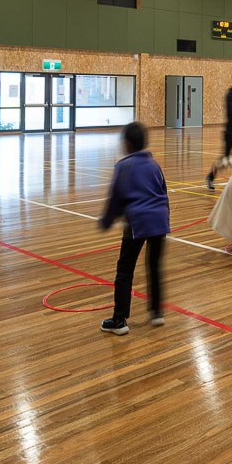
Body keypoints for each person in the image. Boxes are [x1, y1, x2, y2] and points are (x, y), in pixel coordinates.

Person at [98, 123, 170, 336]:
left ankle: (119, 320)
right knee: (154, 266)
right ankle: (157, 312)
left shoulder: (123, 166)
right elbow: (163, 192)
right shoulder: (154, 164)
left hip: (137, 223)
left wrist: (107, 221)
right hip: (160, 221)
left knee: (124, 271)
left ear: (127, 144)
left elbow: (115, 198)